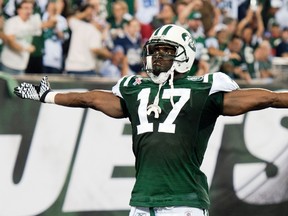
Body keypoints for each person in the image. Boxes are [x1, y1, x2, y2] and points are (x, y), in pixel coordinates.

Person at [13, 24, 288, 216]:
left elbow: (269, 98)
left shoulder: (205, 89)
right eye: (155, 50)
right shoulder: (135, 89)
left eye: (166, 50)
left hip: (184, 201)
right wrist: (48, 96)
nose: (157, 56)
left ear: (184, 54)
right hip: (142, 201)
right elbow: (92, 99)